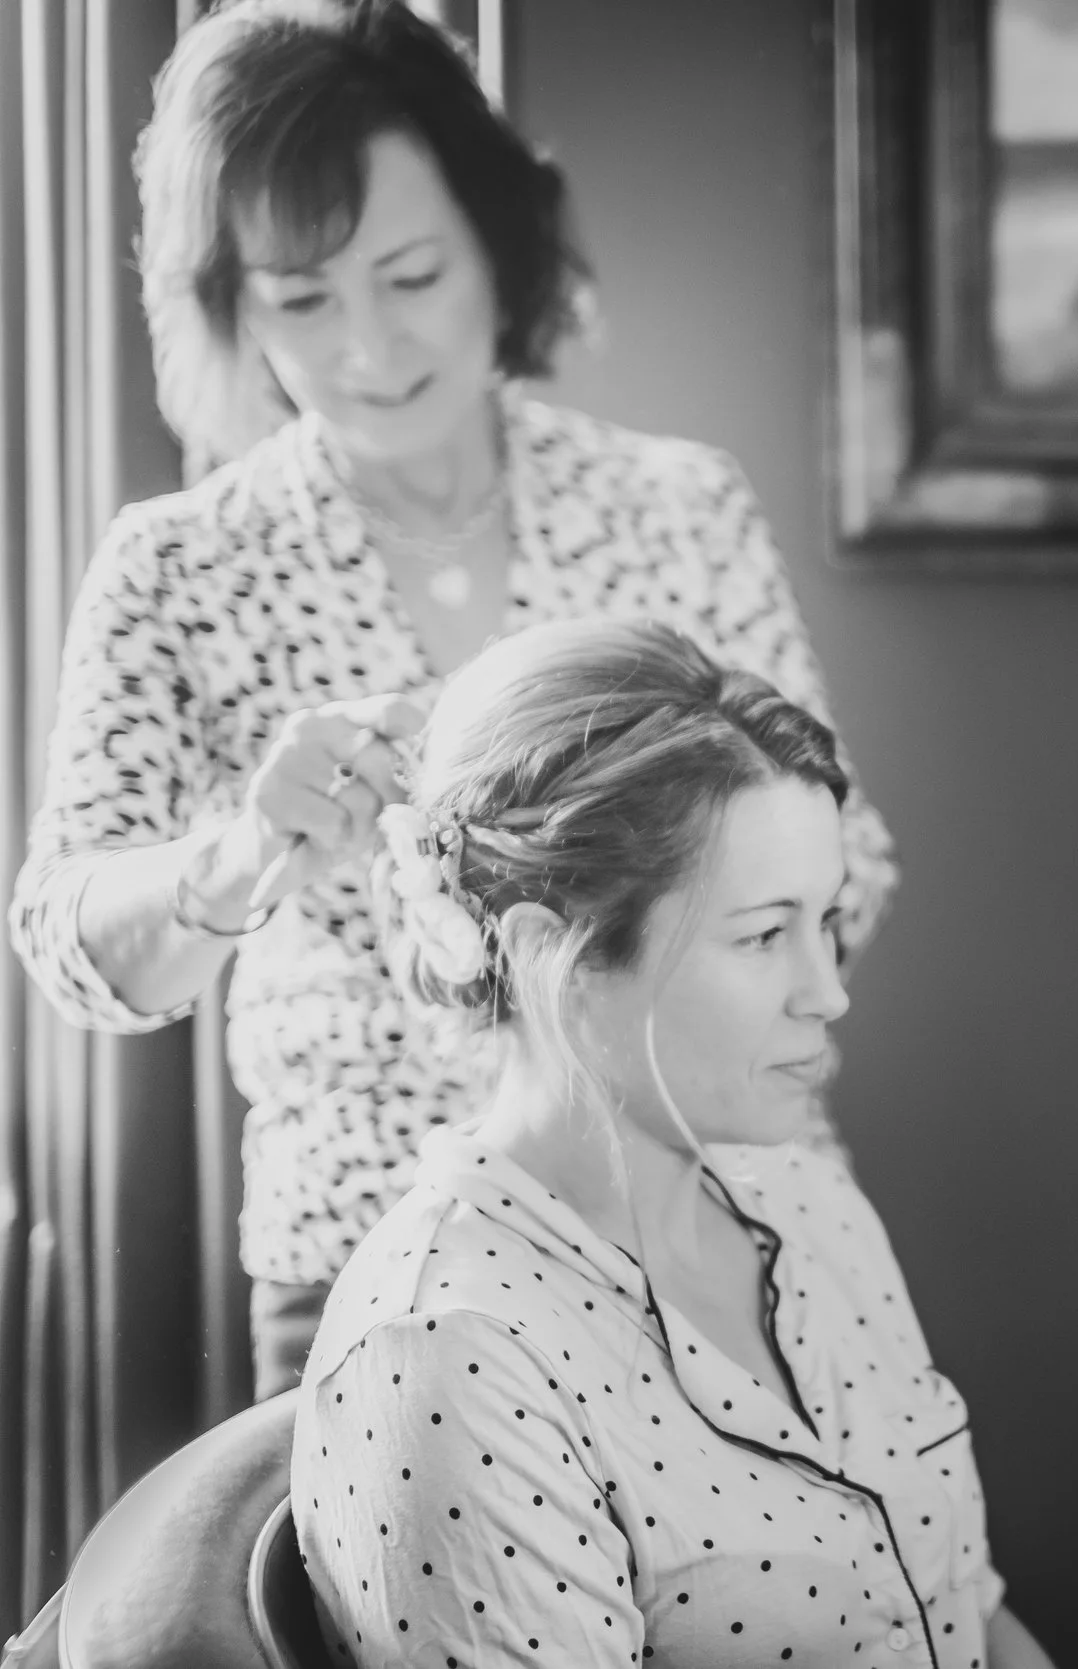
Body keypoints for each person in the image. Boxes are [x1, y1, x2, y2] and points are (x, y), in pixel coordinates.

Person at [4, 0, 895, 1400]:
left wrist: (677, 874)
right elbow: (72, 950)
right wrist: (243, 856)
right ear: (235, 308)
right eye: (302, 299)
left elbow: (859, 869)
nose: (368, 346)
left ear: (495, 232)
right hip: (371, 1265)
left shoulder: (676, 506)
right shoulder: (184, 565)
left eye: (410, 273)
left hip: (721, 1205)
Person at [292, 619, 1051, 1669]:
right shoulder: (452, 1358)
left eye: (827, 921)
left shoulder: (811, 1205)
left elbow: (973, 1612)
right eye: (759, 935)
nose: (828, 992)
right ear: (554, 953)